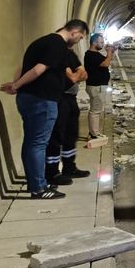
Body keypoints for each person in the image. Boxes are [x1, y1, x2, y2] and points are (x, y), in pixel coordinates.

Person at [0, 19, 89, 199]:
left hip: (30, 98)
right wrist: (16, 85)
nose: (78, 41)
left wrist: (18, 84)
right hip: (42, 100)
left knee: (31, 142)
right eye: (80, 37)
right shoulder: (58, 45)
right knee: (38, 144)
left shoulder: (41, 42)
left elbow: (24, 67)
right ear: (74, 32)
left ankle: (34, 183)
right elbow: (38, 69)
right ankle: (39, 188)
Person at [45, 43, 89, 186]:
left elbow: (84, 75)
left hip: (71, 99)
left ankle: (69, 167)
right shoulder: (57, 56)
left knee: (71, 134)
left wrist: (76, 74)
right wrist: (76, 74)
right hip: (60, 98)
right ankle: (52, 172)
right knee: (57, 135)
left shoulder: (71, 55)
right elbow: (72, 77)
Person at [84, 34, 114, 139]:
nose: (103, 44)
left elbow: (107, 60)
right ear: (94, 42)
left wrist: (110, 52)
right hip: (96, 87)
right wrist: (109, 51)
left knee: (96, 110)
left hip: (97, 86)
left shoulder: (95, 54)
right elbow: (105, 64)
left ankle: (94, 132)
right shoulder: (91, 55)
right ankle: (94, 134)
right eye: (101, 42)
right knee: (95, 111)